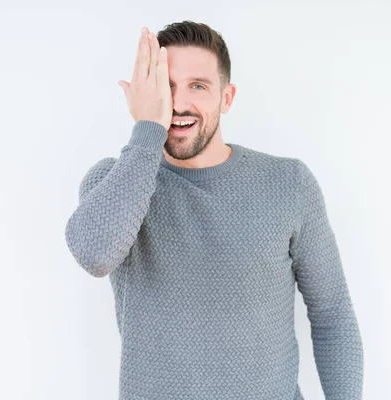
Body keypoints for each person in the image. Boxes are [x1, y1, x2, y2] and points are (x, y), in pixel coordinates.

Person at [65, 20, 364, 400]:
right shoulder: (114, 182)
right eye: (165, 87)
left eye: (198, 86)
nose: (179, 103)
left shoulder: (289, 184)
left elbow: (332, 314)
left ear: (227, 97)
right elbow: (93, 254)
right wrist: (147, 129)